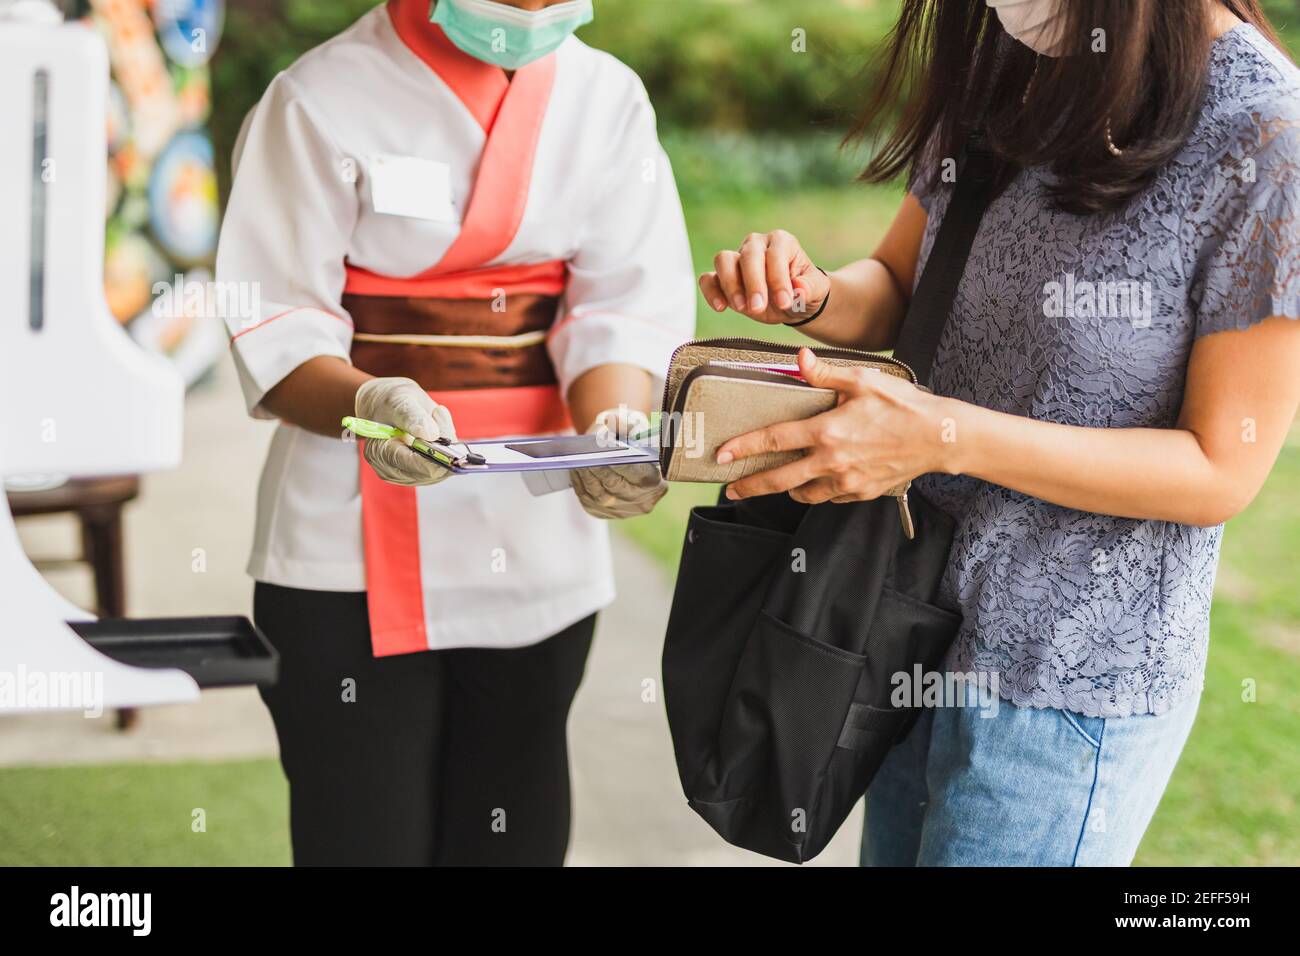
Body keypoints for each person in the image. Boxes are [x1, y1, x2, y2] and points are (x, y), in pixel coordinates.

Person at [700, 0, 1299, 866]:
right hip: (907, 631)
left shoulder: (1263, 137)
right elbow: (905, 283)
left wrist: (943, 435)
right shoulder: (1012, 70)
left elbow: (1219, 469)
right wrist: (812, 294)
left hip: (1063, 691)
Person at [216, 0, 693, 865]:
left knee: (515, 828)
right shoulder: (318, 97)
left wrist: (613, 427)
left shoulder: (609, 100)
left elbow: (622, 307)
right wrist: (373, 406)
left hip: (533, 531)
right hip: (345, 542)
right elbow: (277, 322)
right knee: (359, 833)